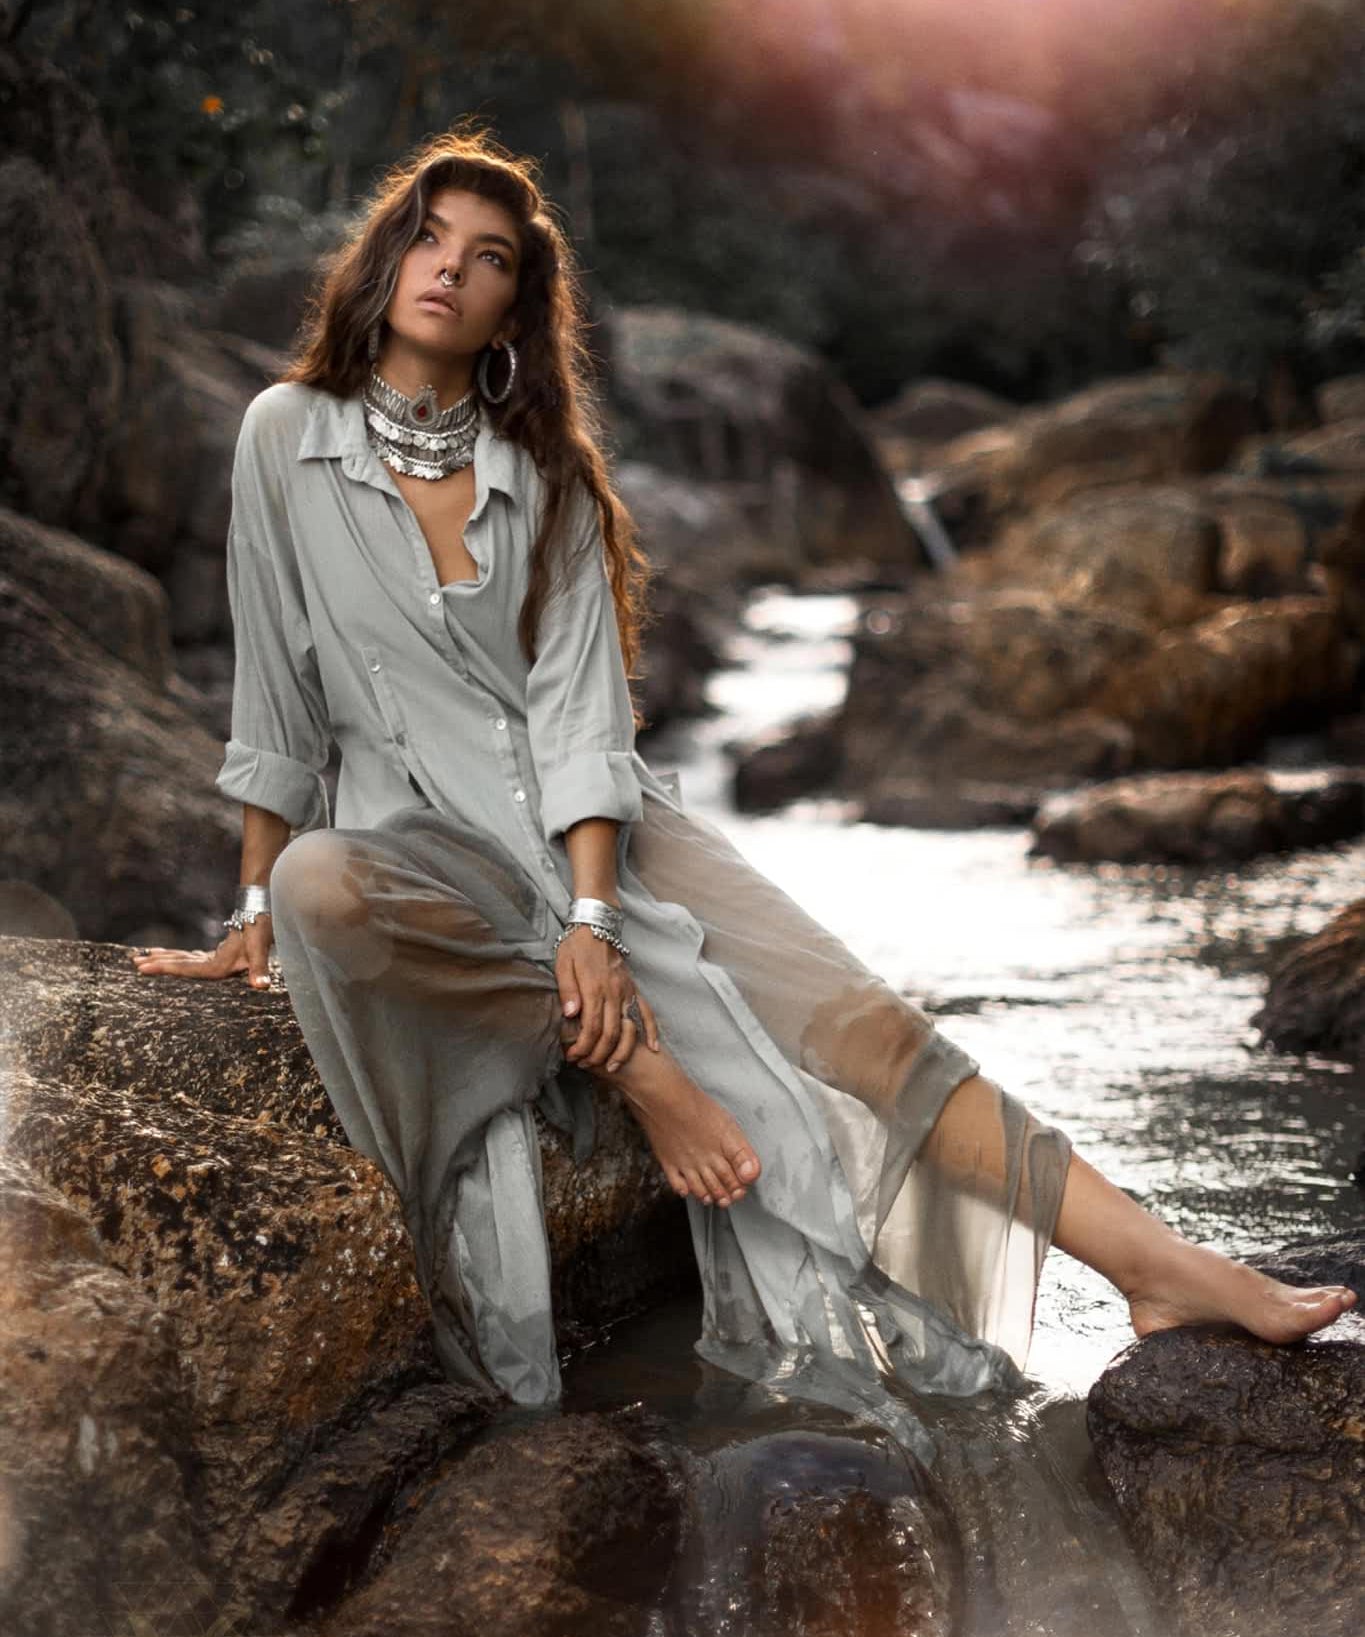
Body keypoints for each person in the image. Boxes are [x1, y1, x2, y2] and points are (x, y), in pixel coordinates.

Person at [130, 124, 1355, 1441]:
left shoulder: (543, 483)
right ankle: (651, 1078)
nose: (446, 268)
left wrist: (593, 922)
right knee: (322, 888)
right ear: (381, 261)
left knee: (876, 1033)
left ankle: (1156, 1268)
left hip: (601, 837)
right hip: (413, 849)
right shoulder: (283, 436)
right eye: (425, 237)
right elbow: (275, 697)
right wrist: (249, 900)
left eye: (484, 260)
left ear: (509, 312)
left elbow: (583, 723)